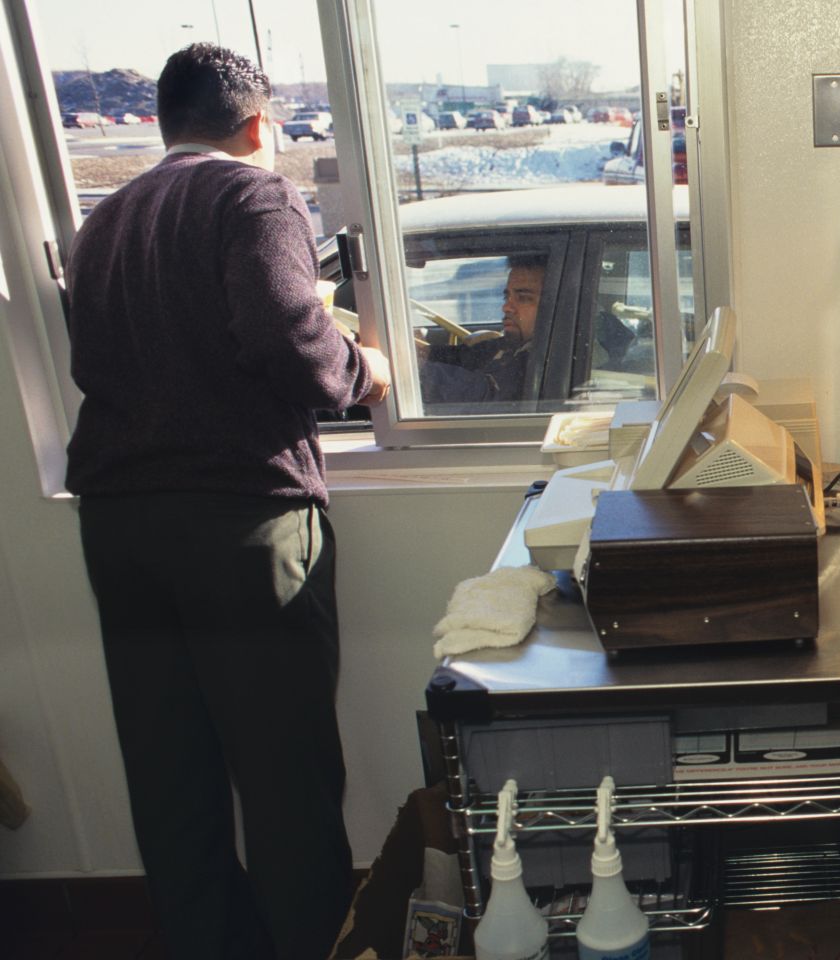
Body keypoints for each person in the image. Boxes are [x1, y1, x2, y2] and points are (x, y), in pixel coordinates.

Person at [63, 44, 391, 960]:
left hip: (119, 526)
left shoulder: (105, 222)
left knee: (172, 781)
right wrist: (361, 371)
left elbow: (98, 358)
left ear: (167, 126)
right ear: (257, 125)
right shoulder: (254, 194)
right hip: (240, 522)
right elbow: (288, 334)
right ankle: (313, 946)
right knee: (285, 779)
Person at [419, 255, 544, 403]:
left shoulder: (542, 359)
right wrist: (422, 352)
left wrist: (416, 370)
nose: (506, 307)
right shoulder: (510, 344)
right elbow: (464, 356)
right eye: (507, 297)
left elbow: (483, 395)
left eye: (523, 298)